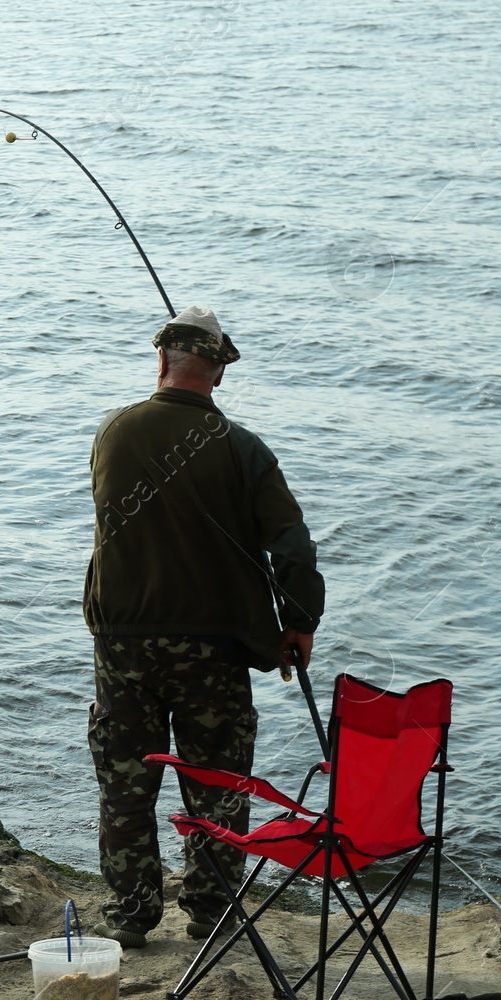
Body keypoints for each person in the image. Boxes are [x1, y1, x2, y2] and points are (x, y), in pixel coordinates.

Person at [82, 305, 324, 950]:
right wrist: (300, 622)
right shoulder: (244, 448)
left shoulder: (113, 432)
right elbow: (293, 547)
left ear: (161, 361)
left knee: (126, 779)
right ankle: (211, 912)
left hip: (124, 644)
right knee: (215, 781)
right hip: (214, 648)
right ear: (218, 373)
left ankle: (132, 915)